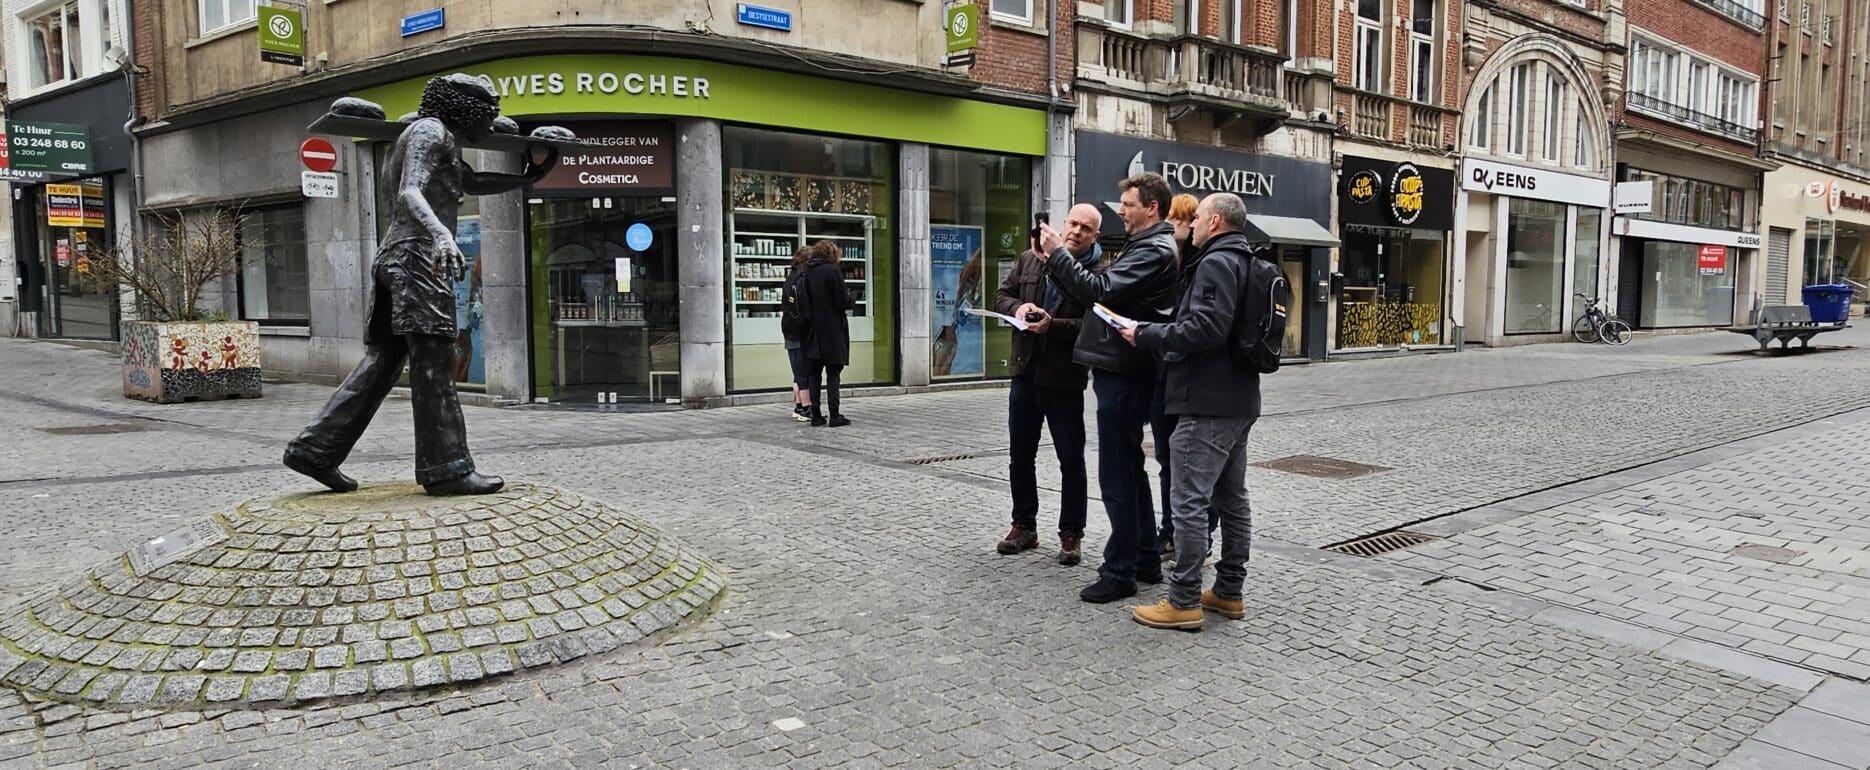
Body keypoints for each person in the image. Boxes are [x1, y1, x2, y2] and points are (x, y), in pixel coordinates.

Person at [284, 74, 556, 496]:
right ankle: (446, 469)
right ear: (466, 110)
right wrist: (442, 235)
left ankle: (315, 450)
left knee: (382, 362)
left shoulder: (421, 137)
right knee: (433, 365)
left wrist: (527, 179)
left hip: (397, 257)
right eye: (488, 114)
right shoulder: (432, 131)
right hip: (417, 259)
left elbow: (470, 183)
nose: (491, 124)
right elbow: (410, 192)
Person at [1118, 192, 1264, 630]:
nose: (1193, 223)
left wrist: (1146, 333)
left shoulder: (1216, 262)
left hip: (1206, 400)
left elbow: (1206, 328)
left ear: (1215, 222)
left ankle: (1183, 600)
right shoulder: (1248, 260)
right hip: (1239, 397)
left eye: (1198, 217)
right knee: (1232, 499)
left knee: (1189, 501)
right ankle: (1228, 591)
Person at [1037, 173, 1179, 603]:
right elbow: (1096, 298)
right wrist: (1054, 263)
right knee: (1130, 468)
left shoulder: (1153, 249)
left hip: (1127, 369)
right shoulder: (1146, 246)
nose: (1122, 211)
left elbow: (1099, 291)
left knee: (1117, 473)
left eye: (1128, 204)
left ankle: (1119, 571)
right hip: (1125, 367)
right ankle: (1145, 559)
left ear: (1151, 207)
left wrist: (1058, 255)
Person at [993, 204, 1101, 565]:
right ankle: (1024, 525)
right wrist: (1017, 309)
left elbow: (1094, 325)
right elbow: (1001, 296)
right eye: (1073, 223)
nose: (1077, 231)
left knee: (1070, 459)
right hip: (1025, 372)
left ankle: (1071, 533)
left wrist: (1052, 326)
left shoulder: (1096, 274)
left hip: (1065, 380)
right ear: (1063, 224)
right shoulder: (1030, 259)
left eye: (1086, 228)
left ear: (1095, 236)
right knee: (1020, 455)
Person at [1154, 192, 1204, 559]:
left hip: (1188, 377)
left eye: (1175, 220)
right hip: (1163, 373)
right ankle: (1169, 529)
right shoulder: (1165, 259)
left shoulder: (1202, 264)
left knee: (1188, 462)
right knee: (1165, 458)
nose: (1169, 227)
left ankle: (1195, 536)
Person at [798, 240, 855, 427]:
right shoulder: (832, 271)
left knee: (814, 374)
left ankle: (815, 415)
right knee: (833, 374)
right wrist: (851, 298)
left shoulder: (805, 271)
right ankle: (834, 414)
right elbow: (842, 301)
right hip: (832, 331)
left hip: (811, 331)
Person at [781, 244, 818, 422]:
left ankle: (798, 405)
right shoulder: (804, 277)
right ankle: (806, 407)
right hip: (801, 330)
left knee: (797, 370)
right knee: (804, 371)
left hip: (789, 327)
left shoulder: (791, 276)